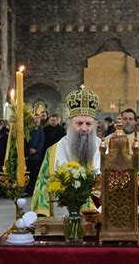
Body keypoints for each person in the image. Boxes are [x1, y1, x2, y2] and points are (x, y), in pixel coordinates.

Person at [31, 86, 101, 216]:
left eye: (88, 124)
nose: (84, 128)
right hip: (63, 216)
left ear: (95, 125)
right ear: (69, 123)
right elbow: (43, 185)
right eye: (79, 123)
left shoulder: (106, 149)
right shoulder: (53, 152)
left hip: (99, 217)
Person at [105, 108, 139, 174]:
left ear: (135, 122)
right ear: (120, 121)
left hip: (138, 181)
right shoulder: (109, 139)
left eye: (131, 119)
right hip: (114, 181)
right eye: (125, 119)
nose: (128, 121)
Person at [25, 114, 45, 196]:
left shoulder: (41, 129)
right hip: (28, 154)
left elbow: (42, 141)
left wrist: (36, 150)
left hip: (36, 155)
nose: (36, 120)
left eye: (38, 119)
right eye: (34, 118)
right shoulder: (28, 129)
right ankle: (27, 189)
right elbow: (26, 139)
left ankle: (33, 190)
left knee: (34, 174)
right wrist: (28, 149)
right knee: (28, 173)